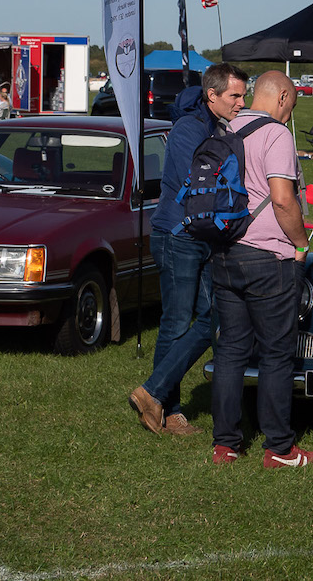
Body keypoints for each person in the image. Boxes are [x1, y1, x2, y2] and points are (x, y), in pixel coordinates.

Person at [209, 70, 313, 468]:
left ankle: (225, 444)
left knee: (231, 349)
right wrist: (301, 242)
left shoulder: (226, 128)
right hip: (266, 256)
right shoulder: (277, 134)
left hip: (223, 251)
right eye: (291, 103)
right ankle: (279, 448)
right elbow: (282, 199)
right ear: (284, 97)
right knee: (276, 352)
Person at [130, 64, 248, 437]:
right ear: (211, 95)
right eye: (235, 96)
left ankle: (153, 393)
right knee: (177, 322)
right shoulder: (187, 129)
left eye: (243, 96)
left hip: (203, 238)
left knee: (210, 318)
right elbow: (198, 187)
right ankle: (168, 409)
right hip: (177, 236)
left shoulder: (216, 127)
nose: (241, 103)